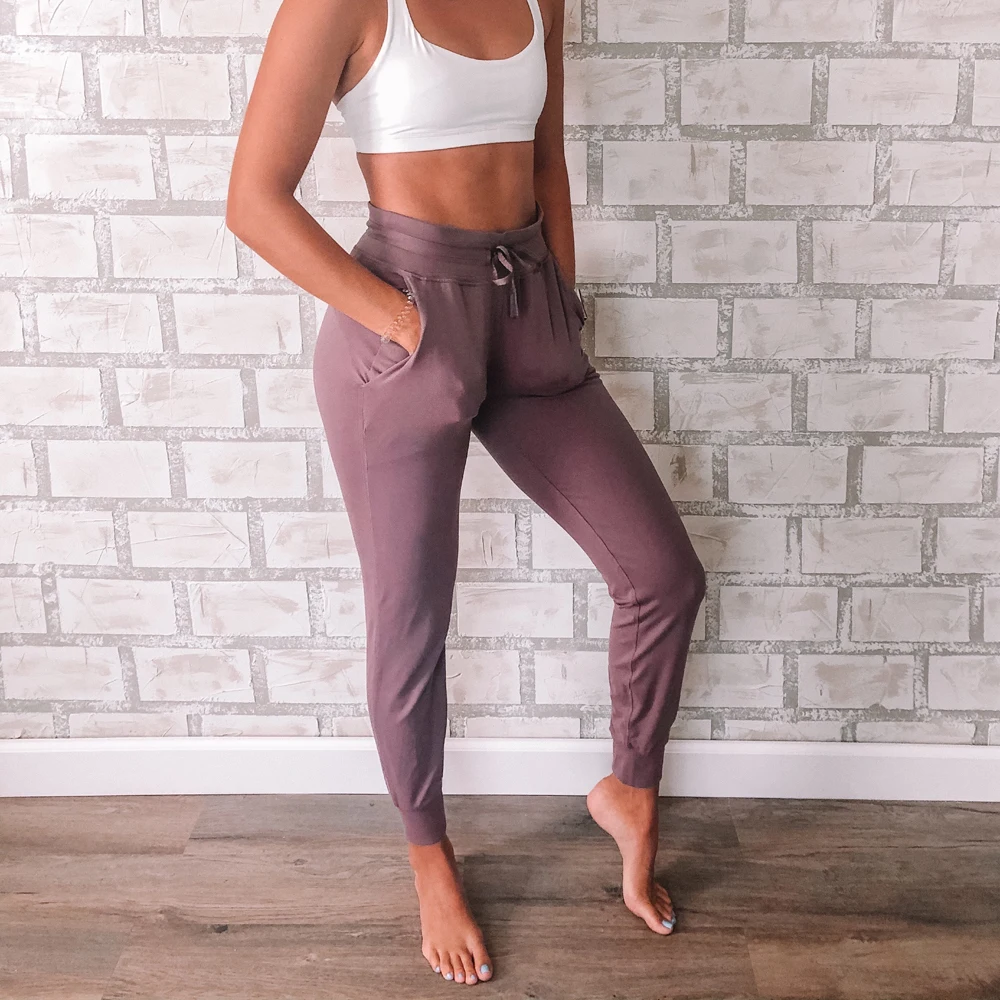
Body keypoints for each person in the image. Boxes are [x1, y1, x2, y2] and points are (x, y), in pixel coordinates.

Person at [226, 0, 707, 985]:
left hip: (529, 310)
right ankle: (428, 855)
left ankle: (629, 790)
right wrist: (403, 323)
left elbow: (546, 159)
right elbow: (253, 201)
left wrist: (563, 301)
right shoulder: (341, 5)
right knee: (412, 618)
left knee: (664, 575)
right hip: (404, 319)